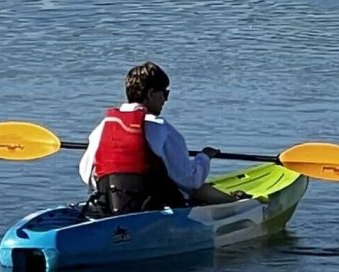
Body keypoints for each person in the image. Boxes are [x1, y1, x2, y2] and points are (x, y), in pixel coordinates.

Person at [79, 61, 245, 215]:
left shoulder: (102, 128)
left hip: (108, 206)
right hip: (152, 210)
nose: (166, 100)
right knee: (197, 189)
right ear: (151, 94)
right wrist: (204, 157)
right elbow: (190, 180)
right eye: (164, 93)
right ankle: (238, 203)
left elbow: (86, 174)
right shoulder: (162, 129)